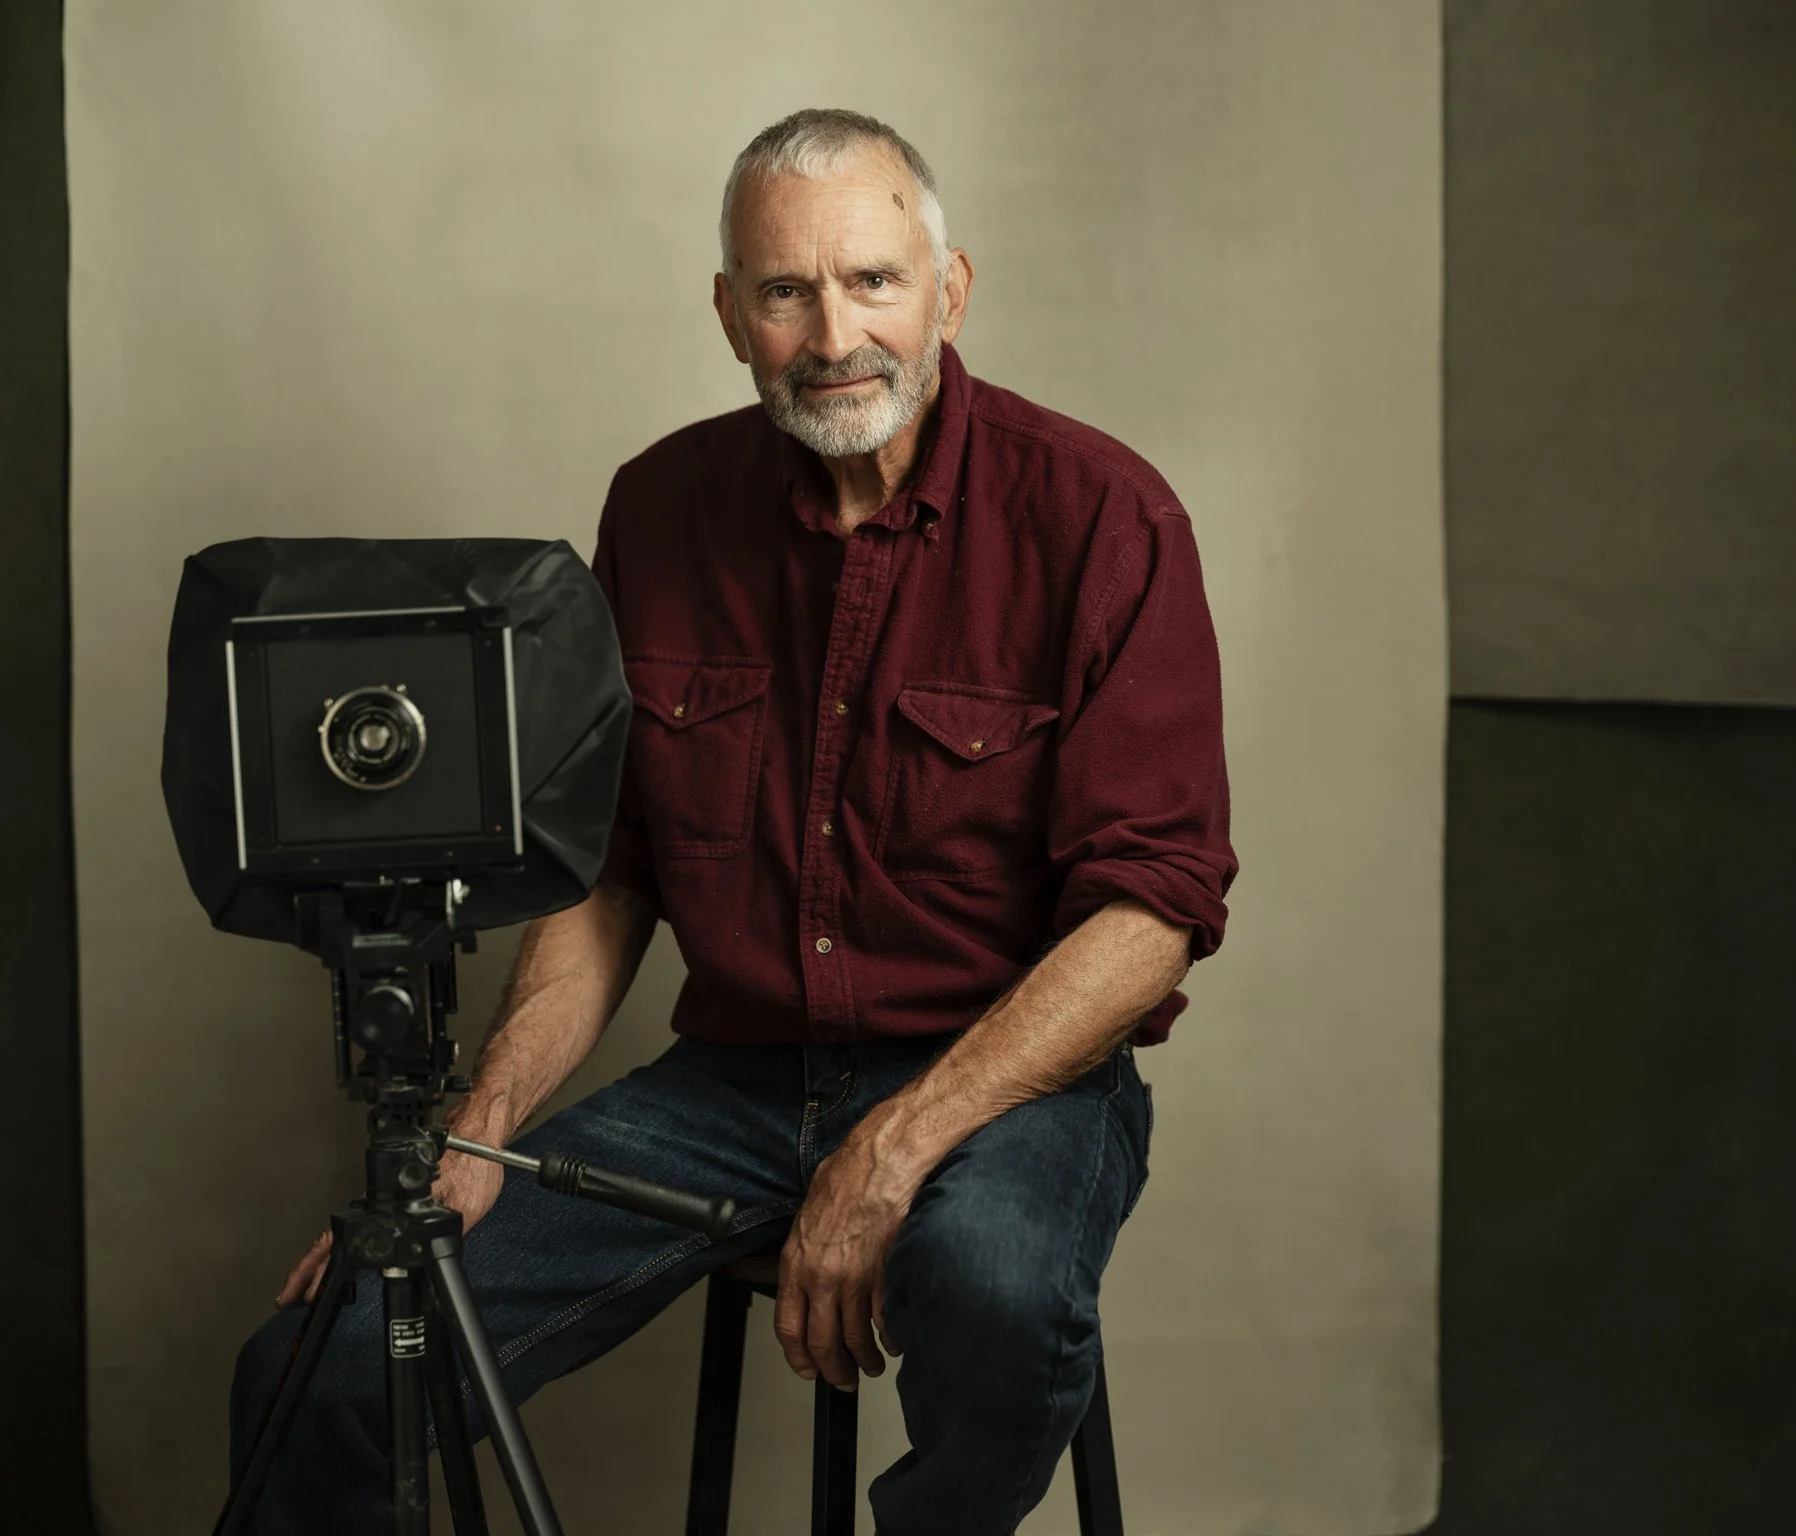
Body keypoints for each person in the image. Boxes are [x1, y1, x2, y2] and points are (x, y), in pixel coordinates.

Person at [230, 106, 1235, 1535]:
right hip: (734, 1096)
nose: (835, 335)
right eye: (785, 292)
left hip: (1009, 1085)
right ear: (728, 314)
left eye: (874, 281)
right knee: (318, 1363)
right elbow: (610, 869)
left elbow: (1154, 913)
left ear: (948, 291)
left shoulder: (1103, 517)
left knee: (998, 1290)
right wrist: (481, 1125)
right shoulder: (658, 507)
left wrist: (891, 1151)